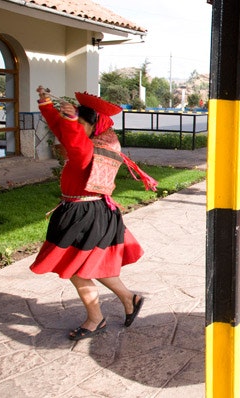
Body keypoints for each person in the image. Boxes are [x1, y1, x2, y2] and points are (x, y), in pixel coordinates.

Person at [30, 86, 157, 340]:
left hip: (85, 215)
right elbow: (65, 133)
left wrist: (70, 120)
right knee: (90, 266)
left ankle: (95, 319)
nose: (73, 128)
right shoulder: (90, 140)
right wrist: (46, 105)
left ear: (92, 126)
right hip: (89, 211)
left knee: (77, 270)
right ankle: (130, 299)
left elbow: (74, 145)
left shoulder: (90, 150)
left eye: (80, 123)